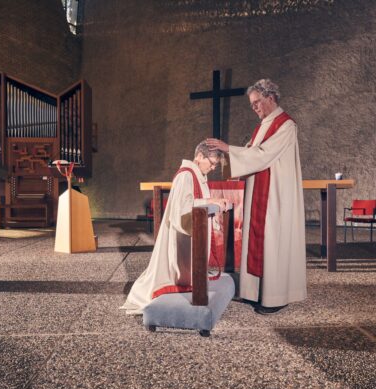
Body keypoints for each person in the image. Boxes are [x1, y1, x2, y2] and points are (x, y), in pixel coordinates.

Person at [206, 78, 306, 314]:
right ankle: (254, 292)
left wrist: (229, 148)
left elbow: (263, 155)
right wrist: (228, 151)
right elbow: (251, 152)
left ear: (270, 98)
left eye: (257, 103)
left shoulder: (285, 125)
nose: (254, 108)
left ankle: (275, 297)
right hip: (260, 190)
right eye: (252, 104)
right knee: (257, 241)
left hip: (275, 195)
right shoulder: (263, 125)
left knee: (272, 241)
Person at [121, 140, 228, 315]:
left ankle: (191, 281)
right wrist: (210, 201)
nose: (214, 167)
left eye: (216, 164)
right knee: (173, 271)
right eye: (213, 163)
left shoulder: (198, 175)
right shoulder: (186, 175)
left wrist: (211, 202)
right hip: (180, 234)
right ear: (200, 156)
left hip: (191, 233)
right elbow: (182, 208)